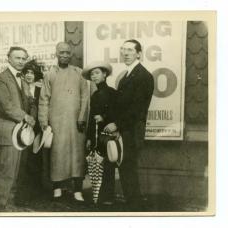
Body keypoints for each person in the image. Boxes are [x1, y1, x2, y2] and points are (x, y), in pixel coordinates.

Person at [104, 39, 154, 210]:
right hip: (125, 129)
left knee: (129, 169)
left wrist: (116, 124)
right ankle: (132, 205)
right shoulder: (127, 75)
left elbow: (137, 109)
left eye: (130, 50)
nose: (125, 53)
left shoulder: (143, 76)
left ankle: (135, 209)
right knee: (125, 169)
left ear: (139, 53)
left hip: (132, 131)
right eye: (123, 50)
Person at [38, 42, 89, 202]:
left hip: (76, 122)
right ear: (56, 54)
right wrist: (43, 121)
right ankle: (57, 188)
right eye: (62, 52)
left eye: (68, 52)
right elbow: (44, 99)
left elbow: (85, 97)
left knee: (77, 154)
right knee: (57, 154)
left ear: (71, 54)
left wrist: (82, 117)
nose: (65, 55)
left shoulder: (79, 73)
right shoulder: (50, 74)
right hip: (56, 121)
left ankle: (77, 190)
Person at [0, 46, 36, 211]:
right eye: (17, 58)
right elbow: (6, 106)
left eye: (24, 58)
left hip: (22, 133)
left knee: (18, 170)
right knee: (7, 169)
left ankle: (11, 201)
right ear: (8, 58)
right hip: (8, 131)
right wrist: (25, 116)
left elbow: (29, 104)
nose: (21, 61)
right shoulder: (0, 79)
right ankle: (1, 205)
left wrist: (32, 97)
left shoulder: (23, 80)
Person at [82, 61, 118, 205]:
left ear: (104, 74)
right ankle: (98, 194)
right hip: (97, 135)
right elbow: (92, 117)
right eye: (92, 74)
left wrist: (104, 117)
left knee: (108, 164)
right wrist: (90, 137)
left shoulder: (112, 93)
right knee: (97, 163)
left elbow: (117, 112)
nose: (94, 76)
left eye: (97, 73)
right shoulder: (95, 94)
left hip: (108, 134)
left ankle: (108, 196)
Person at [19, 59, 45, 199]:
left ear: (36, 75)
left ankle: (37, 190)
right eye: (27, 72)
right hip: (23, 126)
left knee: (36, 158)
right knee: (25, 159)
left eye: (32, 73)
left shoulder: (40, 88)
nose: (29, 75)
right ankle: (24, 190)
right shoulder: (20, 87)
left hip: (37, 127)